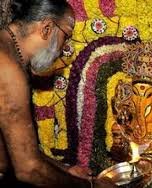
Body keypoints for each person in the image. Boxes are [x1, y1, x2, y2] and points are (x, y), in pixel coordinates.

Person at [0, 0, 114, 187]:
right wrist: (91, 186)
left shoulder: (7, 51)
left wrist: (65, 169)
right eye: (66, 36)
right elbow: (28, 170)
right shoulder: (8, 69)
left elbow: (13, 148)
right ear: (47, 28)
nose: (64, 47)